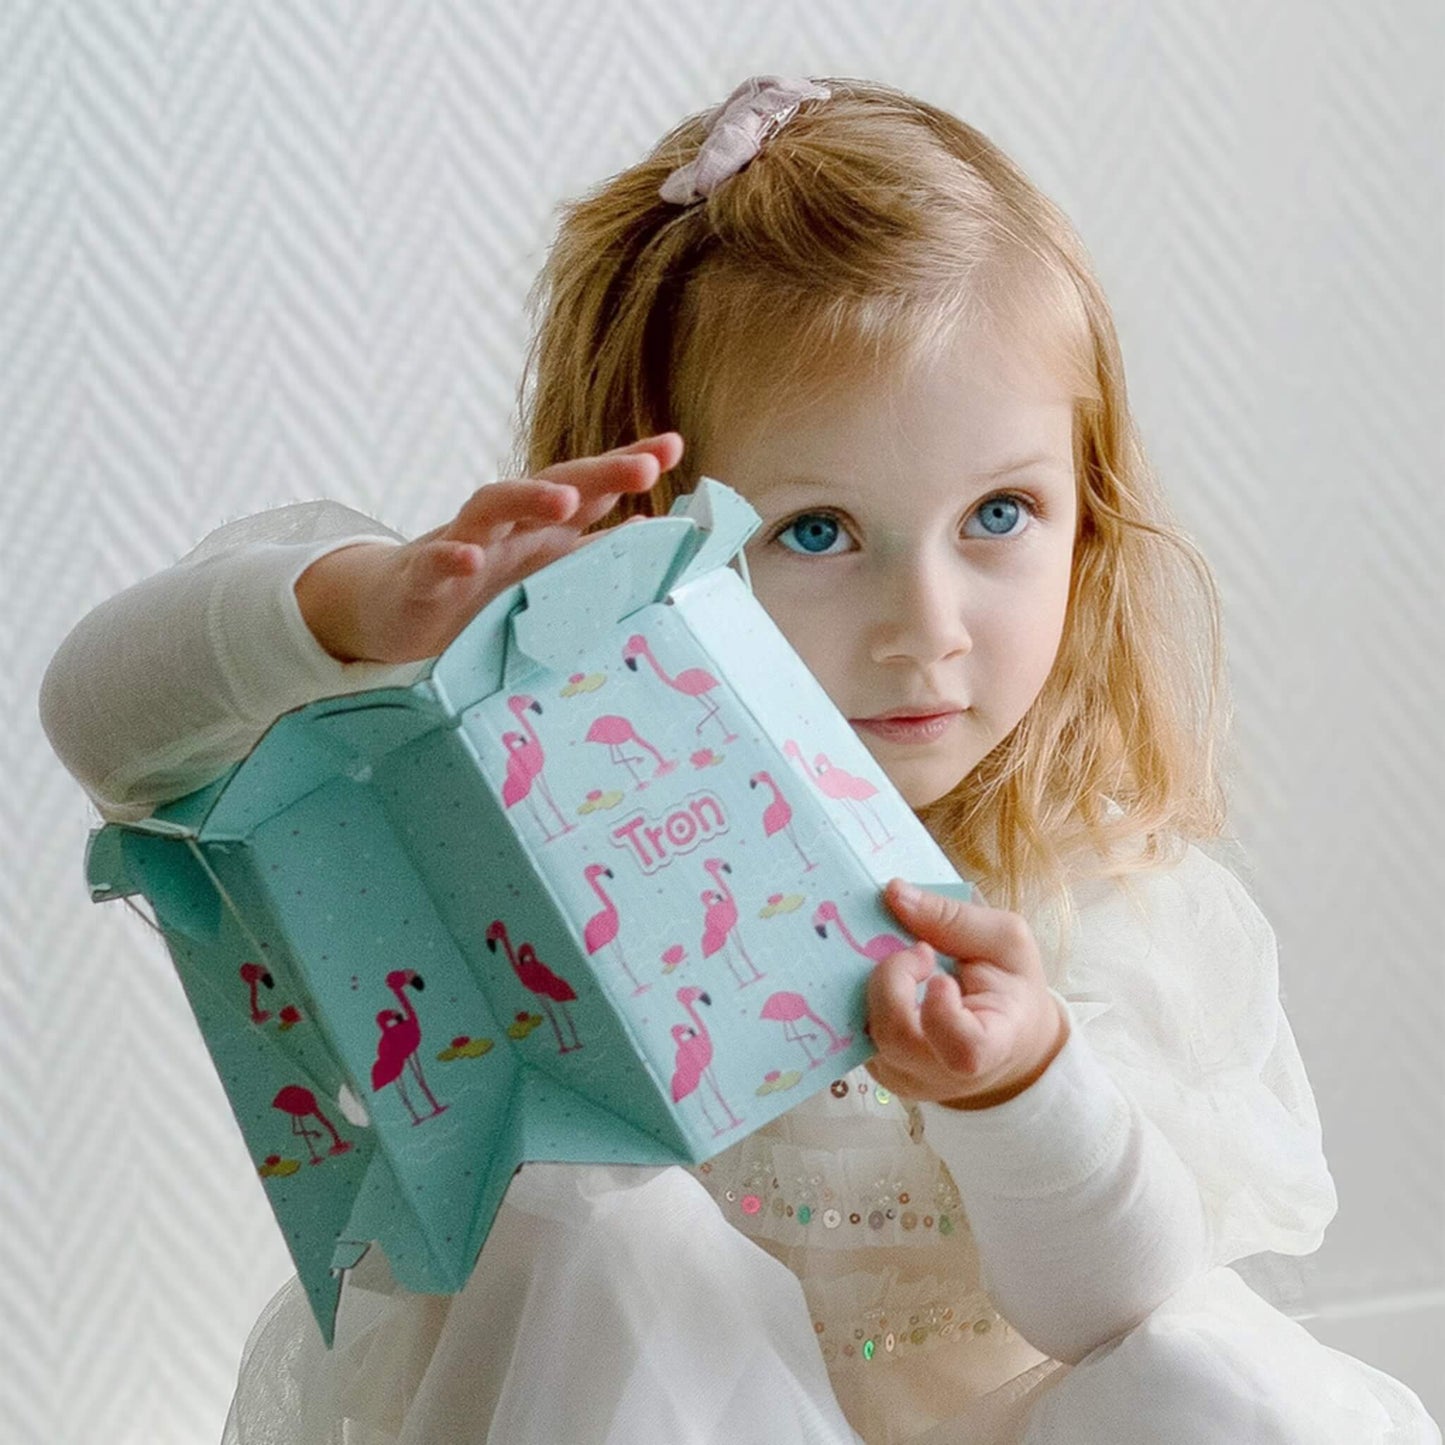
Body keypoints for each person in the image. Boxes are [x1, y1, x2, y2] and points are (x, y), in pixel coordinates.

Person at [39, 74, 1439, 1445]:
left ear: (1089, 517)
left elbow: (1119, 1308)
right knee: (607, 1226)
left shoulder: (1087, 889)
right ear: (641, 532)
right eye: (816, 530)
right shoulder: (534, 804)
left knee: (1205, 1382)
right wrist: (361, 608)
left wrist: (1018, 1087)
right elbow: (100, 720)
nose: (926, 632)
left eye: (999, 512)